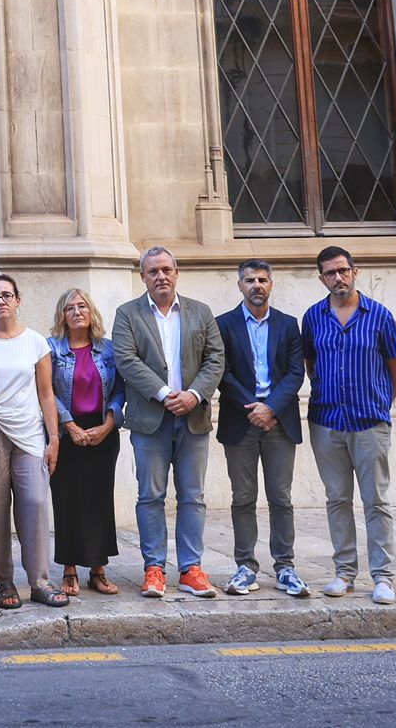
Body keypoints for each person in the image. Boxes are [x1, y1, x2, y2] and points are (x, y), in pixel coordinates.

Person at [112, 246, 226, 599]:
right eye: (153, 272)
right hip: (150, 421)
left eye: (166, 270)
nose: (160, 276)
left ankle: (191, 569)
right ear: (143, 277)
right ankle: (154, 568)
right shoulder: (127, 314)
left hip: (193, 418)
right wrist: (164, 393)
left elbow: (215, 358)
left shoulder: (200, 312)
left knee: (193, 496)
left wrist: (194, 394)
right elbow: (126, 360)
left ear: (177, 273)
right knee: (150, 496)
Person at [303, 245, 396, 605]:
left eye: (343, 271)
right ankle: (344, 573)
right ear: (322, 279)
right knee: (337, 499)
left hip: (369, 424)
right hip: (326, 421)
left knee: (376, 500)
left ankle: (383, 577)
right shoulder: (313, 317)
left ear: (355, 272)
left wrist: (377, 403)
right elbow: (312, 367)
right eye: (330, 273)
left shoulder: (379, 316)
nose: (338, 278)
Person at [0, 273, 66, 610]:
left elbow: (47, 393)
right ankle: (4, 582)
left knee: (35, 503)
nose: (1, 301)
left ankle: (39, 582)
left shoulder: (36, 342)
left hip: (30, 433)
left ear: (18, 300)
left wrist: (54, 439)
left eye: (7, 295)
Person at [217, 258, 307, 598]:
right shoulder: (223, 325)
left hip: (279, 422)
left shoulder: (288, 324)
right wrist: (253, 407)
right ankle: (245, 566)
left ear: (272, 285)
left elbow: (295, 373)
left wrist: (270, 407)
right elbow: (221, 372)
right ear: (239, 285)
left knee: (281, 497)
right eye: (250, 280)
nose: (257, 285)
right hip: (240, 422)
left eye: (263, 280)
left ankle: (285, 566)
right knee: (243, 497)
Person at [46, 288, 124, 597]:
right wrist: (70, 425)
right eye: (70, 308)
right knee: (67, 502)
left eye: (82, 306)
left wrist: (108, 424)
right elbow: (47, 392)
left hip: (102, 434)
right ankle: (69, 569)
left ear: (91, 312)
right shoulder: (52, 349)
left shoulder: (108, 349)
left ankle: (98, 569)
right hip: (66, 434)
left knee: (99, 501)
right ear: (62, 316)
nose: (77, 312)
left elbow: (120, 390)